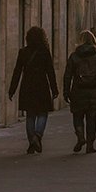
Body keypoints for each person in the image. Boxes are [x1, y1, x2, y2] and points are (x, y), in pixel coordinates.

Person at [8, 26, 58, 155]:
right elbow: (50, 72)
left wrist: (12, 89)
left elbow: (17, 72)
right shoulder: (45, 52)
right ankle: (37, 136)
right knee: (42, 113)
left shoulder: (23, 52)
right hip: (42, 86)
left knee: (30, 115)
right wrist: (54, 89)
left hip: (27, 86)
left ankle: (32, 143)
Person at [63, 30, 96, 155]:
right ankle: (90, 145)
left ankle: (80, 136)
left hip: (78, 91)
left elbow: (67, 75)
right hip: (95, 92)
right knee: (92, 118)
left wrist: (66, 91)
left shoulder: (74, 56)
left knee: (77, 116)